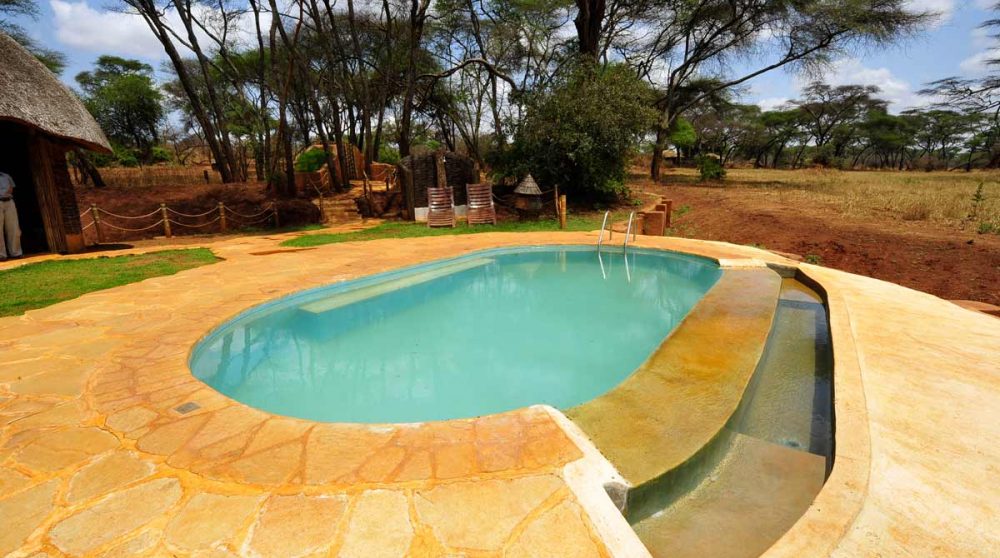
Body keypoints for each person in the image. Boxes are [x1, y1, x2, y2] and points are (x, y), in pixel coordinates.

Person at [0, 170, 22, 261]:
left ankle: (15, 253)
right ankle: (1, 255)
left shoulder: (6, 176)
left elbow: (11, 188)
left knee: (13, 228)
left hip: (9, 201)